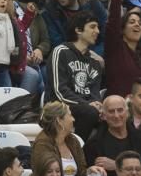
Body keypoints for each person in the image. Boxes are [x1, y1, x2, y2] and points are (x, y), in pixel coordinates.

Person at [45, 11, 105, 140]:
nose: (97, 31)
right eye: (93, 27)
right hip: (60, 106)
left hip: (86, 107)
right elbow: (59, 91)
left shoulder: (95, 61)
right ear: (78, 30)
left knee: (111, 116)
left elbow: (95, 93)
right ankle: (74, 148)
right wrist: (87, 104)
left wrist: (99, 106)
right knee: (90, 113)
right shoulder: (61, 51)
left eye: (98, 27)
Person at [43, 0, 107, 56]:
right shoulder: (50, 11)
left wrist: (91, 55)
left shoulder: (94, 6)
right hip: (67, 60)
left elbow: (106, 37)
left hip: (95, 57)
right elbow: (57, 43)